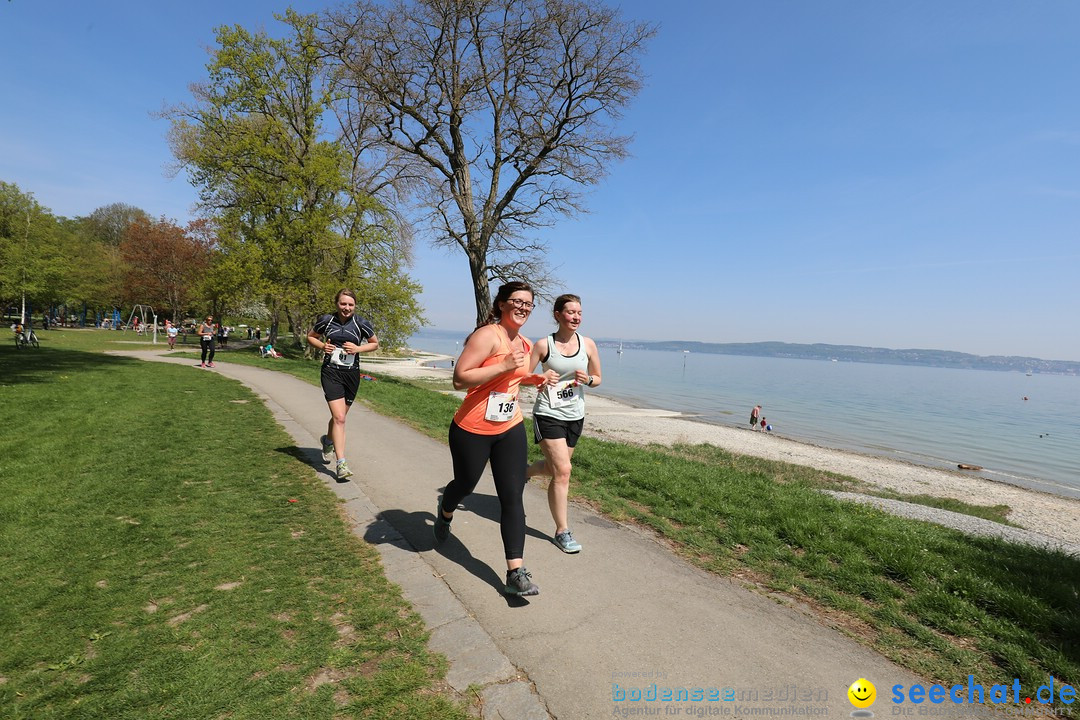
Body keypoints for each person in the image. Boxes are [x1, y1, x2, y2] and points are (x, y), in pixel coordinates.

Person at [433, 281, 548, 597]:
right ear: (501, 304)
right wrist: (502, 365)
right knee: (465, 484)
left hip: (509, 426)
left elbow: (514, 376)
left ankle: (515, 572)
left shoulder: (525, 343)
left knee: (512, 496)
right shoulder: (487, 335)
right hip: (471, 428)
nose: (523, 307)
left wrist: (533, 377)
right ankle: (446, 508)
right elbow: (460, 379)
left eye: (528, 303)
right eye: (517, 301)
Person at [525, 294, 601, 554]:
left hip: (575, 415)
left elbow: (599, 378)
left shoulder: (588, 344)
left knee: (554, 469)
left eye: (579, 312)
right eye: (570, 312)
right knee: (564, 471)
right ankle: (562, 531)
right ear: (557, 315)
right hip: (548, 413)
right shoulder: (543, 345)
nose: (576, 317)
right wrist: (540, 378)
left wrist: (588, 379)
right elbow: (521, 376)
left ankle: (525, 472)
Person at [306, 289, 379, 480]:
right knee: (339, 418)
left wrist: (358, 348)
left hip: (351, 375)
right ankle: (342, 463)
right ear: (337, 304)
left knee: (339, 417)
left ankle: (328, 440)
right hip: (330, 373)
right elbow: (311, 336)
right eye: (343, 304)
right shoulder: (326, 320)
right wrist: (322, 346)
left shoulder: (361, 323)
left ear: (355, 306)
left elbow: (374, 343)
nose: (347, 308)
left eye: (350, 305)